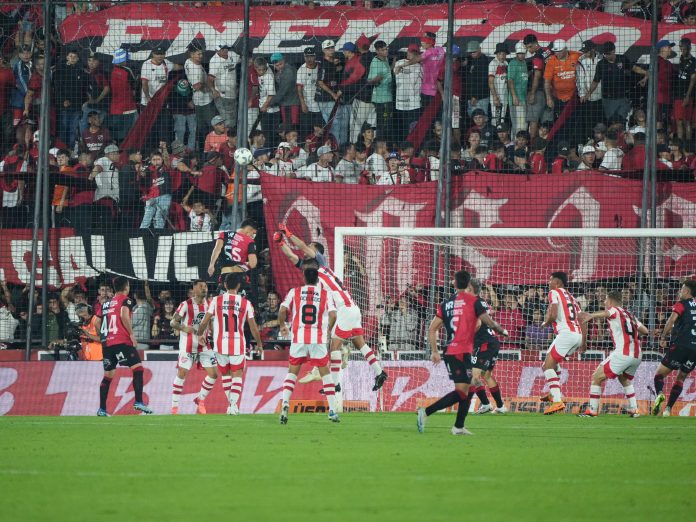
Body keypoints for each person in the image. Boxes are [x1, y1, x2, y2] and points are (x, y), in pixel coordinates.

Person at [275, 224, 388, 393]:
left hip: (343, 309)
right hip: (351, 308)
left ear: (316, 251)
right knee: (359, 342)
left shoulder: (321, 263)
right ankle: (380, 372)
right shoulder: (312, 269)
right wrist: (280, 242)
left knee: (334, 346)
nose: (306, 249)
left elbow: (302, 247)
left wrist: (288, 233)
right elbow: (292, 257)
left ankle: (334, 383)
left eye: (310, 247)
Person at [419, 270, 508, 435]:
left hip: (453, 350)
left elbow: (432, 328)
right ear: (468, 285)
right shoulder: (473, 302)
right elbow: (483, 323)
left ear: (454, 283)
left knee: (469, 386)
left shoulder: (445, 304)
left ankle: (459, 426)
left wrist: (434, 351)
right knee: (463, 390)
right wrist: (500, 330)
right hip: (460, 351)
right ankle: (426, 412)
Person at [277, 267, 339, 424]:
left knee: (292, 373)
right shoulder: (325, 294)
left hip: (298, 337)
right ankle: (332, 410)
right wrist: (329, 329)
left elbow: (282, 309)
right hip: (317, 338)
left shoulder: (295, 292)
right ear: (318, 280)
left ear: (304, 279)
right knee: (325, 374)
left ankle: (285, 404)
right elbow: (333, 314)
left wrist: (282, 325)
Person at [197, 272, 263, 415]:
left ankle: (232, 406)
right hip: (237, 344)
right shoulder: (246, 303)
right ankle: (233, 406)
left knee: (226, 375)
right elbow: (253, 327)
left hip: (220, 344)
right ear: (239, 286)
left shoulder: (216, 300)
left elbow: (204, 321)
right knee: (237, 375)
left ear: (225, 285)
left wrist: (199, 335)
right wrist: (259, 343)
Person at [578, 290, 648, 417]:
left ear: (610, 300)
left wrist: (591, 315)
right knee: (624, 379)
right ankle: (634, 410)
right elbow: (645, 331)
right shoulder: (630, 315)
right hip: (637, 355)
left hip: (623, 353)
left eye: (605, 299)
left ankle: (592, 411)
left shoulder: (614, 310)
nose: (604, 302)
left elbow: (607, 312)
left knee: (596, 377)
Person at [97, 276, 153, 416]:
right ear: (126, 287)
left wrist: (104, 335)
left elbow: (96, 322)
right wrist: (131, 334)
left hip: (107, 344)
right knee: (138, 368)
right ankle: (139, 401)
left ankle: (102, 409)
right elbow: (123, 315)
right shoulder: (126, 300)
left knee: (108, 375)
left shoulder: (106, 304)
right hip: (121, 341)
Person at [540, 271, 586, 415]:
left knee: (546, 366)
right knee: (553, 363)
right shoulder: (572, 298)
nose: (548, 283)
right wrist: (584, 342)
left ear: (558, 283)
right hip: (577, 335)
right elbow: (583, 318)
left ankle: (557, 400)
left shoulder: (554, 292)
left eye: (550, 280)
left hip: (566, 334)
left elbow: (553, 315)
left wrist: (546, 323)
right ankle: (554, 393)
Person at [170, 279, 218, 415]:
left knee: (213, 374)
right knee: (182, 374)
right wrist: (184, 328)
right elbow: (173, 322)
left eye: (206, 286)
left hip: (204, 345)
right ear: (194, 289)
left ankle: (200, 399)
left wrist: (212, 335)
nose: (204, 289)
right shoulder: (185, 305)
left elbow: (211, 326)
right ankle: (174, 407)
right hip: (188, 345)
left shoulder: (210, 305)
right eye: (201, 286)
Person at [652, 280, 696, 417]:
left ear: (687, 292)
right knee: (681, 378)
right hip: (694, 350)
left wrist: (663, 337)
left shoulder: (681, 304)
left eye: (682, 289)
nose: (679, 291)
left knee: (659, 375)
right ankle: (668, 410)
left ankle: (659, 394)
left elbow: (671, 320)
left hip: (680, 346)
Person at [468, 279, 507, 414]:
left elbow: (478, 324)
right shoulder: (482, 302)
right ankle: (500, 406)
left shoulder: (473, 303)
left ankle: (486, 404)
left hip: (483, 343)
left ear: (470, 288)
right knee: (487, 375)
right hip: (492, 342)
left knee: (474, 377)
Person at [207, 218, 258, 285]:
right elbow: (253, 264)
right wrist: (243, 265)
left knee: (224, 295)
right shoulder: (249, 241)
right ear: (248, 229)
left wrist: (211, 265)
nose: (252, 236)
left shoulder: (224, 235)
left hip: (225, 276)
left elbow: (216, 250)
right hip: (240, 276)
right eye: (253, 233)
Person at [208, 43, 237, 128]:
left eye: (226, 48)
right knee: (227, 122)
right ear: (217, 50)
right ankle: (227, 140)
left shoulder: (232, 55)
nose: (225, 50)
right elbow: (209, 79)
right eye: (223, 49)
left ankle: (231, 139)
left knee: (233, 121)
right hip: (222, 96)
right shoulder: (214, 61)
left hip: (232, 94)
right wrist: (213, 90)